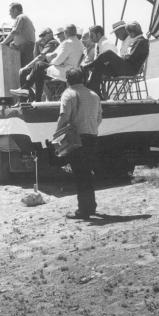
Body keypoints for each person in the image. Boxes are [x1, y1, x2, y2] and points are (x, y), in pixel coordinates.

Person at [56, 68, 103, 219]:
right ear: (83, 79)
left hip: (77, 139)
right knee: (87, 173)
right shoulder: (95, 95)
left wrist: (56, 134)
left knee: (79, 174)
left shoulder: (68, 94)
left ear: (67, 80)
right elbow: (99, 118)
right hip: (92, 136)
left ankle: (83, 210)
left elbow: (64, 117)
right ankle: (91, 206)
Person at [11, 25, 84, 102]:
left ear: (65, 33)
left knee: (39, 65)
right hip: (73, 71)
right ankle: (35, 98)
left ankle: (26, 89)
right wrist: (52, 58)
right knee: (39, 70)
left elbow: (57, 61)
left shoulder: (67, 43)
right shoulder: (79, 44)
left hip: (65, 72)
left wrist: (51, 60)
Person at [84, 21, 149, 96]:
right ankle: (95, 89)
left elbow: (131, 58)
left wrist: (120, 58)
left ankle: (89, 67)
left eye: (129, 33)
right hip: (127, 68)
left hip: (131, 69)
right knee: (100, 66)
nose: (128, 35)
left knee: (109, 54)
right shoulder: (138, 41)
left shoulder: (141, 41)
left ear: (132, 33)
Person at [0, 3, 36, 97]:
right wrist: (13, 44)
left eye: (10, 11)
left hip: (25, 48)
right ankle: (25, 97)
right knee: (25, 73)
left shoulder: (20, 17)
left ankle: (25, 98)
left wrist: (2, 43)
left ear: (15, 10)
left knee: (23, 72)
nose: (9, 14)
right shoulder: (25, 18)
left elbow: (14, 32)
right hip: (26, 48)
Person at [16, 27, 59, 96]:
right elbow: (36, 57)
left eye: (43, 35)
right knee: (25, 72)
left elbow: (40, 57)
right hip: (45, 68)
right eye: (41, 36)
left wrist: (27, 66)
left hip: (52, 69)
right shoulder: (44, 44)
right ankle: (26, 96)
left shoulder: (52, 42)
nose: (42, 38)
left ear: (50, 35)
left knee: (32, 71)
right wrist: (36, 44)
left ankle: (30, 95)